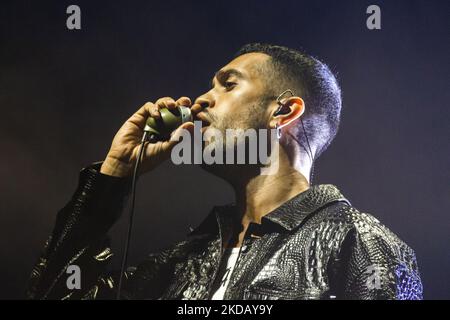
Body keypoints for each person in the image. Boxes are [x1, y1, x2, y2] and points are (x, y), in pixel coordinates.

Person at [27, 43, 423, 300]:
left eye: (227, 85)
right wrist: (113, 175)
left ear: (283, 111)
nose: (201, 99)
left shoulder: (360, 242)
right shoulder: (184, 259)